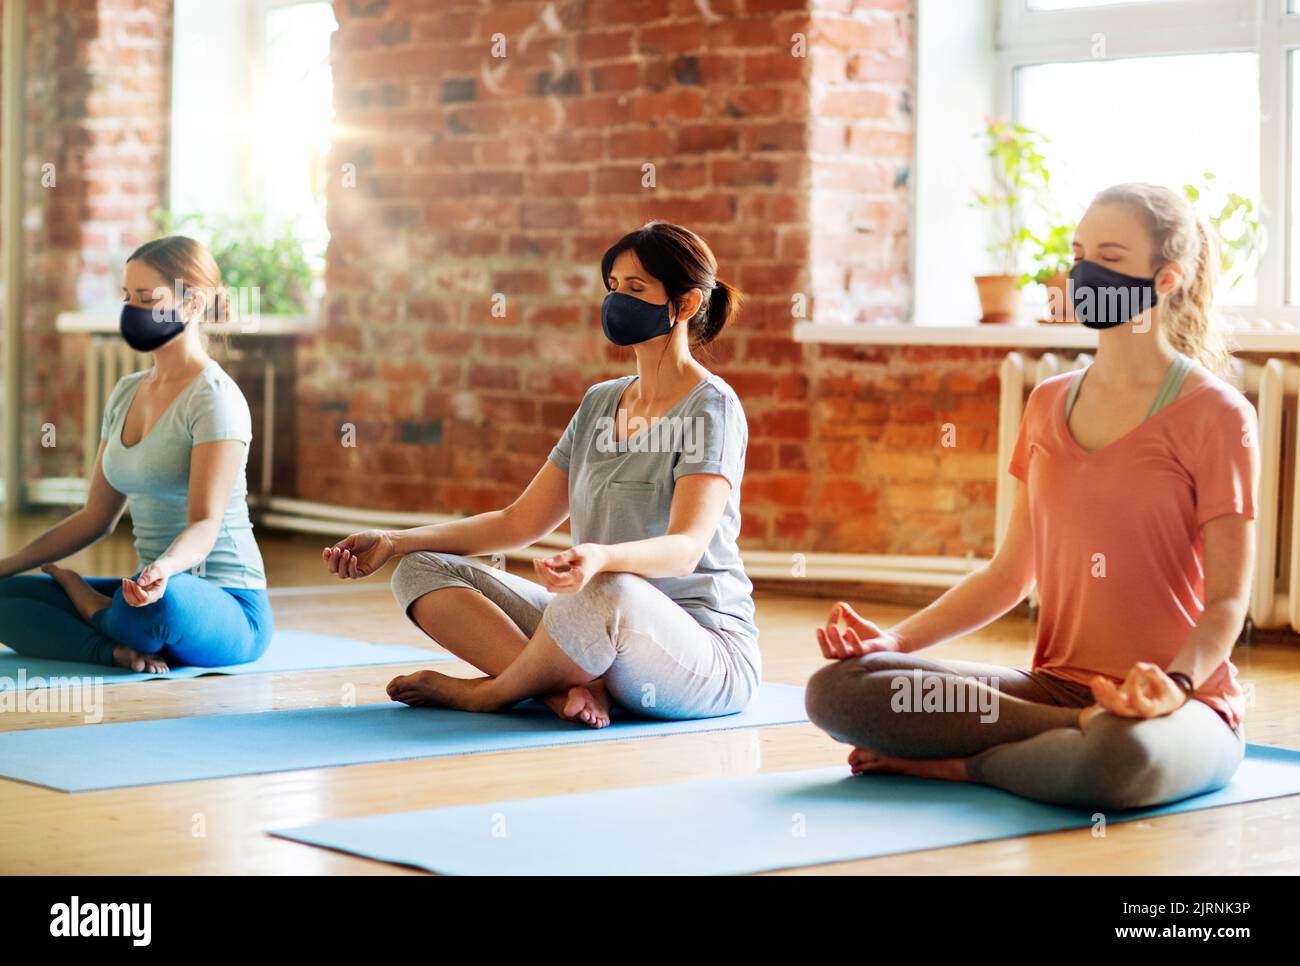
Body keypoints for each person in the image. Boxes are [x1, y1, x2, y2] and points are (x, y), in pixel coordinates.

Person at [805, 183, 1257, 811]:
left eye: (1110, 254)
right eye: (1078, 252)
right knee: (840, 690)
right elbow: (1009, 576)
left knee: (1124, 758)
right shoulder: (1047, 403)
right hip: (1050, 691)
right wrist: (896, 643)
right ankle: (1063, 741)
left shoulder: (1217, 414)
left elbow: (1229, 599)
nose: (1083, 270)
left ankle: (966, 767)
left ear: (1165, 278)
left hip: (1182, 709)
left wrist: (1175, 687)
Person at [322, 222, 759, 728]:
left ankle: (490, 694)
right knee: (421, 568)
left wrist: (599, 557)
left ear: (685, 305)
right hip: (594, 629)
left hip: (701, 656)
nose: (617, 301)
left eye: (636, 290)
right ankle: (564, 693)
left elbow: (685, 549)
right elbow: (517, 522)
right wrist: (395, 541)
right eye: (613, 288)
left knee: (605, 589)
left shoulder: (712, 408)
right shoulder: (600, 403)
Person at [0, 236, 272, 673]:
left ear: (193, 303)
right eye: (128, 297)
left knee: (163, 607)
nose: (133, 310)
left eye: (147, 298)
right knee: (4, 599)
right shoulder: (126, 392)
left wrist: (162, 569)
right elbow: (95, 517)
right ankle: (115, 651)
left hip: (224, 601)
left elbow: (205, 524)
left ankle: (92, 609)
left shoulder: (215, 399)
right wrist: (7, 565)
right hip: (143, 592)